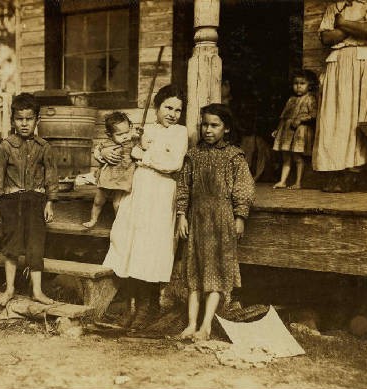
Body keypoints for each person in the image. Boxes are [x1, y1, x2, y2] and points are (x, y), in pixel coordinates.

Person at [101, 85, 188, 330]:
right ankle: (128, 303)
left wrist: (144, 156)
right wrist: (104, 151)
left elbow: (172, 163)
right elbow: (116, 145)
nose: (172, 113)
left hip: (161, 192)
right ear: (158, 107)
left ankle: (148, 306)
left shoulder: (180, 133)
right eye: (168, 107)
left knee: (152, 247)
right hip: (137, 189)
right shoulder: (145, 130)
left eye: (178, 110)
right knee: (128, 243)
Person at [176, 104, 255, 341]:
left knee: (216, 272)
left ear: (226, 129)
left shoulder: (234, 156)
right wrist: (182, 215)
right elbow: (183, 187)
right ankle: (191, 324)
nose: (208, 130)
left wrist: (240, 217)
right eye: (205, 124)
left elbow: (244, 188)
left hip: (221, 219)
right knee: (195, 270)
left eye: (214, 125)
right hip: (197, 218)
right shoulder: (193, 155)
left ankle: (206, 326)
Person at [0, 93, 59, 306]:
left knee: (35, 246)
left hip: (36, 201)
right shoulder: (6, 146)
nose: (24, 123)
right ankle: (9, 288)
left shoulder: (44, 147)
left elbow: (51, 176)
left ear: (37, 120)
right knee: (11, 245)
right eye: (20, 119)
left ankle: (36, 290)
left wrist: (49, 202)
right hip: (11, 202)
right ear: (13, 121)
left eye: (29, 119)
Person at [313, 0, 367, 192]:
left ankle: (352, 173)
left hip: (364, 63)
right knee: (334, 118)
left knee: (358, 119)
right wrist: (357, 26)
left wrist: (342, 23)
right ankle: (334, 171)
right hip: (337, 62)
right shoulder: (334, 8)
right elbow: (327, 38)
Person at [83, 111, 145, 228]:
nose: (125, 136)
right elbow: (97, 150)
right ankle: (93, 220)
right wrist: (100, 152)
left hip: (122, 178)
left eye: (127, 132)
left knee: (117, 204)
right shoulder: (106, 143)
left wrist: (139, 134)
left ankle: (119, 224)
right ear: (109, 135)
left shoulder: (131, 142)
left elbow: (139, 142)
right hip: (107, 177)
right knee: (98, 201)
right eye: (120, 134)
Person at [272, 70, 318, 190]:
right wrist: (278, 129)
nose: (298, 86)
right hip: (286, 131)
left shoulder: (310, 98)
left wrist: (301, 119)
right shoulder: (291, 99)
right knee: (286, 157)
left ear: (309, 85)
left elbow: (314, 114)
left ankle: (298, 182)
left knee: (297, 157)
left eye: (302, 83)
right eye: (295, 83)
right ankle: (282, 181)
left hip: (300, 131)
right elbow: (284, 116)